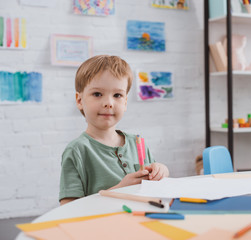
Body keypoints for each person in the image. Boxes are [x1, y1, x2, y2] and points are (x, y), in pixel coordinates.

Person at [59, 55, 169, 205]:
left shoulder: (137, 143)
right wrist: (120, 189)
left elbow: (155, 183)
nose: (109, 103)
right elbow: (68, 206)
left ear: (125, 102)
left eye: (117, 95)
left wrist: (162, 170)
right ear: (79, 100)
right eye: (97, 94)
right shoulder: (77, 150)